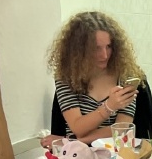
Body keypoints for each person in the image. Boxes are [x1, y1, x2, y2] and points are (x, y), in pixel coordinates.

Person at [42, 11, 144, 146]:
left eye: (108, 46)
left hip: (112, 151)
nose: (104, 55)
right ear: (79, 51)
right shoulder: (67, 77)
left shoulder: (125, 74)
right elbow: (78, 128)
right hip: (78, 153)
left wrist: (72, 140)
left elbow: (122, 129)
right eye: (96, 48)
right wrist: (109, 106)